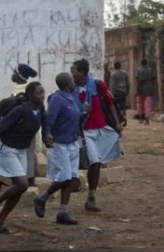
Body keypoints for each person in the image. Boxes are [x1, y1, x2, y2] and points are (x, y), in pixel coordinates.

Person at [0, 82, 50, 234]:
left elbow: (45, 124)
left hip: (21, 150)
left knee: (18, 189)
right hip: (7, 149)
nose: (43, 96)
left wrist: (47, 136)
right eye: (39, 93)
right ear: (31, 95)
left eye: (43, 92)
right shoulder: (20, 110)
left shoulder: (40, 109)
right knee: (22, 184)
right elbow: (0, 126)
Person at [70, 59, 122, 211]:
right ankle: (91, 196)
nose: (72, 73)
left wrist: (117, 123)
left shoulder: (98, 85)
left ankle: (92, 195)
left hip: (101, 128)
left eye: (74, 71)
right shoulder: (72, 88)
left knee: (97, 162)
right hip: (84, 130)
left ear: (82, 72)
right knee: (94, 160)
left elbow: (110, 103)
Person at [33, 73, 81, 225]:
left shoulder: (71, 97)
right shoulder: (57, 99)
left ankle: (63, 212)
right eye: (72, 80)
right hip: (59, 144)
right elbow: (49, 120)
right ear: (68, 83)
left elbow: (74, 117)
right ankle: (42, 198)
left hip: (72, 142)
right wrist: (46, 135)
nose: (74, 82)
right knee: (65, 176)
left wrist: (84, 113)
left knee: (71, 178)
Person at [11, 63, 40, 186]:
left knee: (28, 154)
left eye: (14, 72)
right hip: (21, 129)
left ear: (18, 75)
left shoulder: (25, 90)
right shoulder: (18, 88)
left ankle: (28, 183)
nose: (12, 74)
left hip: (25, 129)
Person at [136, 59, 156, 125]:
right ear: (147, 63)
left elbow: (137, 80)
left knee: (139, 103)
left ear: (141, 63)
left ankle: (140, 118)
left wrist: (137, 90)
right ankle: (147, 120)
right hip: (149, 89)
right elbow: (153, 79)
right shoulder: (151, 70)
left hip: (140, 88)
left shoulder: (138, 70)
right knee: (148, 104)